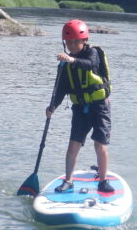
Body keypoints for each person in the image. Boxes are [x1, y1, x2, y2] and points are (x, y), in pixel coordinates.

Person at [45, 19, 114, 193]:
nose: (72, 45)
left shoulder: (93, 53)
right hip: (80, 109)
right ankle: (68, 180)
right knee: (73, 145)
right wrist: (52, 106)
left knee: (100, 144)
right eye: (69, 42)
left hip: (99, 107)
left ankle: (103, 180)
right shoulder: (65, 64)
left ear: (84, 41)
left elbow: (90, 65)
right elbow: (61, 89)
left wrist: (71, 59)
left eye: (76, 41)